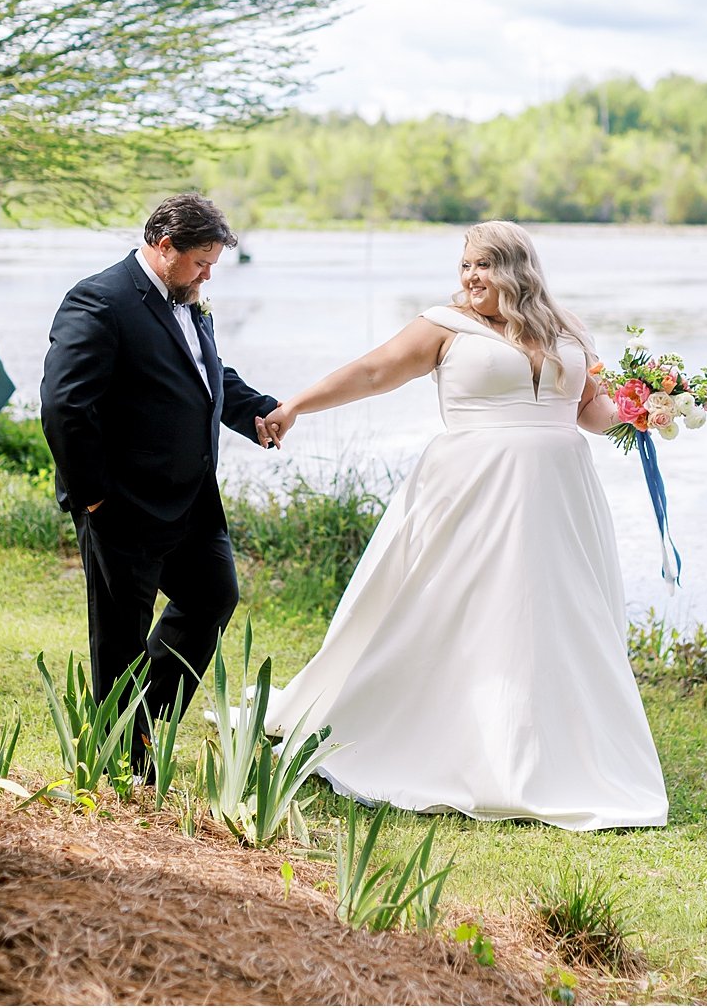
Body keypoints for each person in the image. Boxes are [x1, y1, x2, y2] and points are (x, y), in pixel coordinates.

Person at [258, 220, 668, 831]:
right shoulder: (444, 325)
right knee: (459, 609)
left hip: (558, 496)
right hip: (470, 491)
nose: (471, 278)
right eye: (465, 266)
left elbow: (590, 411)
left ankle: (558, 745)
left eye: (485, 265)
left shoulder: (567, 328)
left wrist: (645, 409)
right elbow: (373, 373)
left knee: (555, 613)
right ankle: (442, 736)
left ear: (519, 271)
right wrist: (294, 406)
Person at [40, 193, 279, 775]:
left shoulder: (187, 296)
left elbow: (203, 371)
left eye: (213, 264)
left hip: (191, 498)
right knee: (121, 638)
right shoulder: (100, 300)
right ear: (164, 245)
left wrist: (258, 412)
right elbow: (65, 405)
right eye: (201, 261)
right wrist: (94, 495)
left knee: (212, 595)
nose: (207, 274)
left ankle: (138, 727)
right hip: (122, 502)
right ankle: (124, 763)